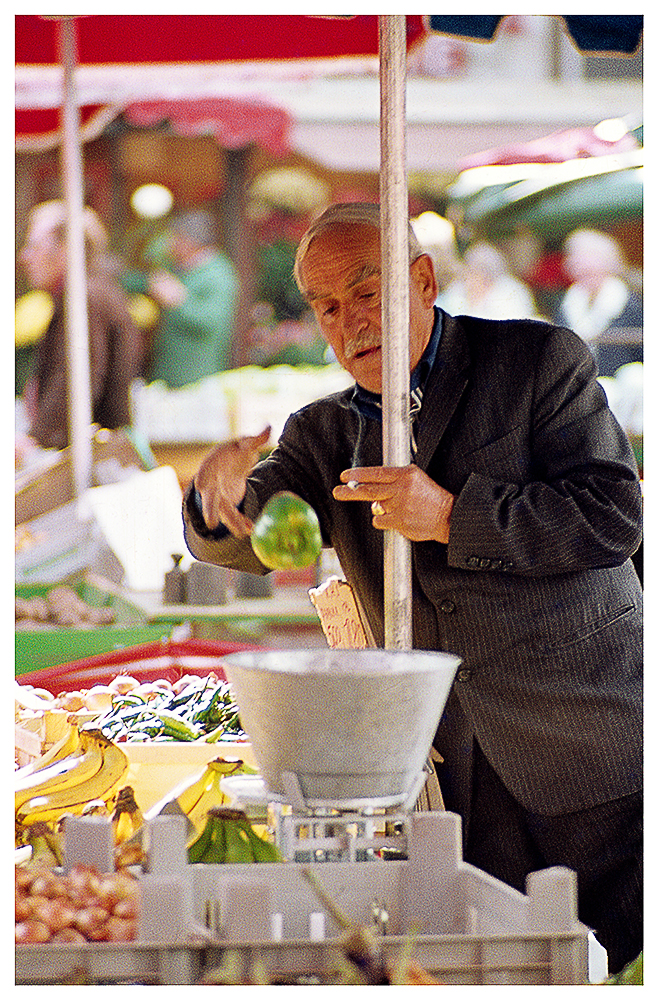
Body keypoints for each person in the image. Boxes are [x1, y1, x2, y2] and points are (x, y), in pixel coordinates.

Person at [182, 202, 642, 974]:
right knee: (501, 967)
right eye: (328, 307)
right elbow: (248, 538)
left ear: (423, 280)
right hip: (452, 771)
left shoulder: (537, 362)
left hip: (589, 740)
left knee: (629, 964)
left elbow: (611, 517)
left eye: (367, 293)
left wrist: (453, 516)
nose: (349, 322)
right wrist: (211, 498)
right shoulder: (323, 431)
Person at [18, 200, 145, 452]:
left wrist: (35, 440)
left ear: (66, 250)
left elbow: (75, 377)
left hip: (93, 462)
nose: (24, 257)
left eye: (34, 246)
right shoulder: (89, 291)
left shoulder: (85, 297)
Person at [123, 209, 239, 388]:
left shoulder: (218, 273)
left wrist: (178, 301)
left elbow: (211, 322)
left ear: (190, 242)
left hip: (196, 378)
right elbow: (138, 278)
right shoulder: (174, 266)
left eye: (175, 238)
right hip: (163, 374)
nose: (169, 243)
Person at [556, 228, 643, 377]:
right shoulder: (567, 304)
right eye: (576, 263)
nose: (580, 269)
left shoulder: (630, 303)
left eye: (589, 266)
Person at [436, 240, 540, 320]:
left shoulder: (511, 292)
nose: (469, 280)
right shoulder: (458, 291)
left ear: (486, 276)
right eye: (469, 272)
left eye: (474, 273)